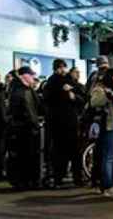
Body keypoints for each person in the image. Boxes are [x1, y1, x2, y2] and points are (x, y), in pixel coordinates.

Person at [44, 59, 84, 188]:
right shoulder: (51, 82)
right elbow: (47, 99)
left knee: (75, 151)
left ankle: (77, 178)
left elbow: (81, 97)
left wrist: (73, 96)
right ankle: (58, 178)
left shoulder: (71, 82)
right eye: (59, 68)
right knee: (59, 152)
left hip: (71, 121)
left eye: (63, 67)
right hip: (58, 123)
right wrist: (63, 93)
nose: (62, 70)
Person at [90, 67, 113, 198]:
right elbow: (94, 102)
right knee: (109, 157)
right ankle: (107, 185)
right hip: (109, 126)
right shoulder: (100, 88)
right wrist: (108, 95)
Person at [8, 66, 43, 190]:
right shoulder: (19, 91)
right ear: (24, 76)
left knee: (29, 156)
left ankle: (28, 180)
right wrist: (34, 123)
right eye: (31, 75)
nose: (33, 77)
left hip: (28, 128)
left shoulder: (28, 90)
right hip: (23, 129)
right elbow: (24, 111)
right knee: (23, 156)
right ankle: (22, 181)